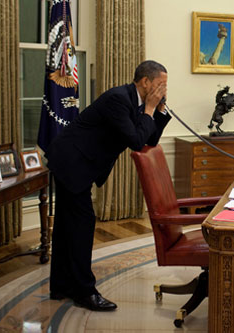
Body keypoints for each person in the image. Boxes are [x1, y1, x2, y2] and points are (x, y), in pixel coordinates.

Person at [45, 60, 171, 311]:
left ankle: (61, 286)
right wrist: (149, 108)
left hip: (80, 163)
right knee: (81, 224)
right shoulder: (118, 99)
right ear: (144, 82)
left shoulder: (139, 103)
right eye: (160, 85)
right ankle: (84, 291)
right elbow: (135, 141)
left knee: (67, 225)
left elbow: (149, 138)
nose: (162, 90)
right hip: (71, 161)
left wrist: (159, 110)